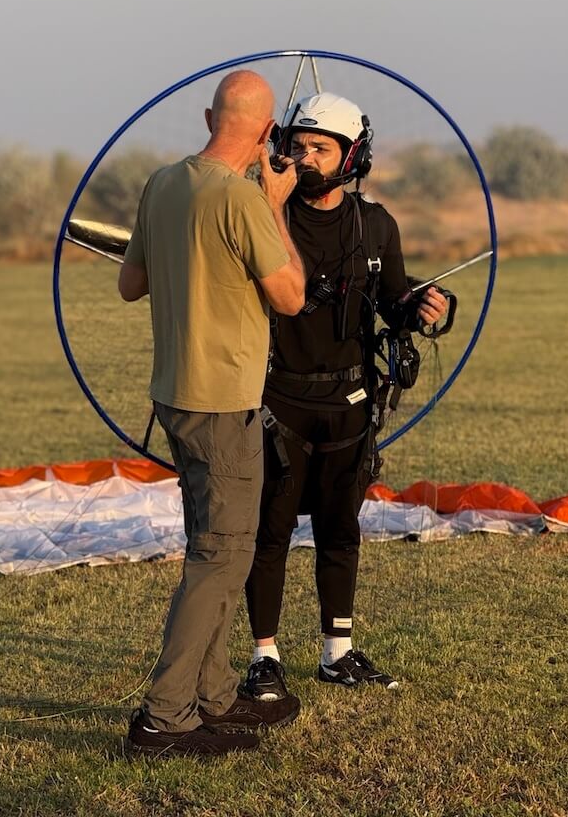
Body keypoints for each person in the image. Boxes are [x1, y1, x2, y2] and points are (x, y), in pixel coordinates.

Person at [118, 70, 306, 757]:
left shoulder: (164, 184)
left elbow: (128, 283)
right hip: (222, 402)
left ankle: (215, 696)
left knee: (216, 548)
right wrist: (277, 204)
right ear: (264, 133)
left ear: (208, 116)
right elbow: (290, 296)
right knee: (219, 557)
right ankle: (163, 719)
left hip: (174, 394)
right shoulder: (244, 199)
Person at [242, 92, 449, 701]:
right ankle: (264, 658)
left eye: (320, 148)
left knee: (340, 529)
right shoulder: (263, 215)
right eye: (297, 145)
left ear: (351, 155)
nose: (305, 157)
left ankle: (338, 652)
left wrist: (422, 306)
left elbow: (393, 300)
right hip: (277, 398)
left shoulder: (376, 224)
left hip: (351, 405)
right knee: (270, 530)